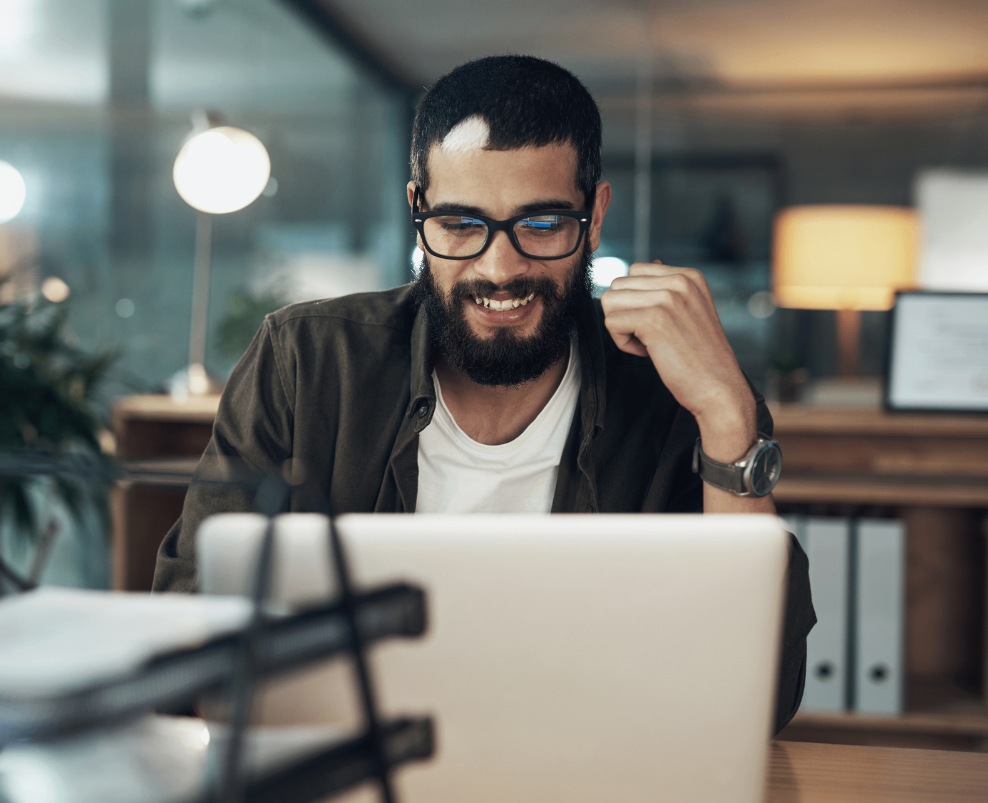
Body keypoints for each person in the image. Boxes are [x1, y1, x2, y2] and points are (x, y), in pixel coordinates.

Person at [154, 55, 815, 733]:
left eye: (542, 224)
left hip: (583, 774)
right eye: (461, 224)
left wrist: (727, 414)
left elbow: (758, 698)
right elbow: (190, 635)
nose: (500, 268)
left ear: (593, 218)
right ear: (418, 210)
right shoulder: (306, 361)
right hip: (348, 767)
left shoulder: (670, 393)